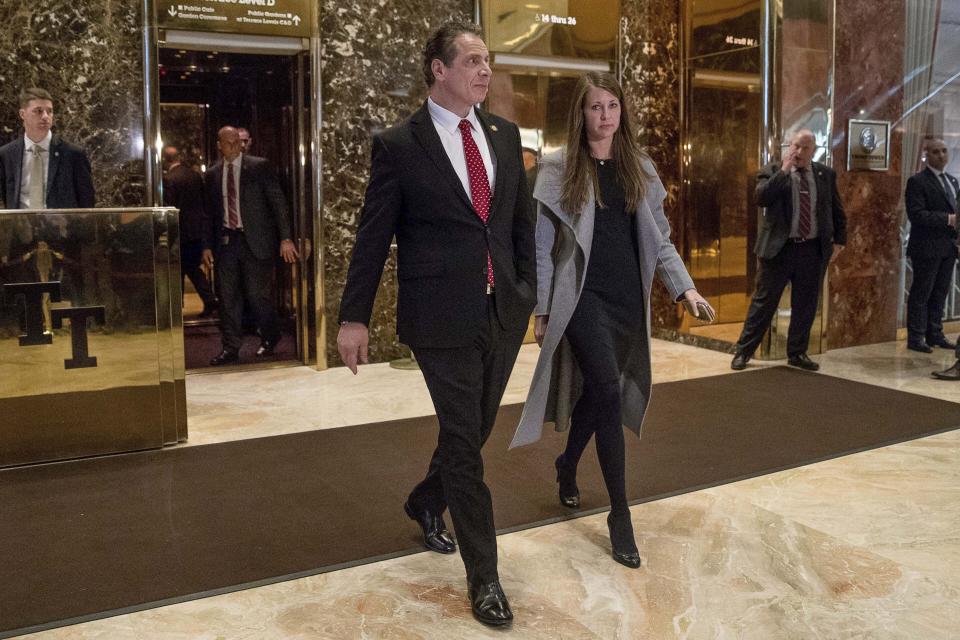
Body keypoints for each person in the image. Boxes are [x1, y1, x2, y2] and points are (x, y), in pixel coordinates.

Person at [337, 21, 536, 627]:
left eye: (488, 61)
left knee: (471, 431)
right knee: (462, 439)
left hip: (501, 310)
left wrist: (528, 293)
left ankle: (425, 502)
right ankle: (486, 578)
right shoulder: (400, 144)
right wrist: (354, 317)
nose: (485, 71)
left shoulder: (504, 134)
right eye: (473, 60)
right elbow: (373, 238)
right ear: (439, 70)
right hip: (439, 317)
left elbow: (519, 224)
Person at [511, 71, 712, 569]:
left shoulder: (637, 167)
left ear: (623, 113)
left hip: (626, 299)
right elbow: (541, 246)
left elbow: (659, 238)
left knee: (600, 394)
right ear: (580, 115)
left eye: (612, 106)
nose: (605, 116)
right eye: (595, 107)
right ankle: (620, 514)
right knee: (605, 386)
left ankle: (566, 463)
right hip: (580, 299)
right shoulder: (558, 169)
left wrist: (684, 287)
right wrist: (540, 308)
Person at [730, 129, 847, 371]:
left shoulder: (825, 174)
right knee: (764, 303)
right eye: (796, 146)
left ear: (814, 149)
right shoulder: (772, 171)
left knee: (805, 304)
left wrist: (839, 241)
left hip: (812, 250)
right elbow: (761, 197)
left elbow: (836, 210)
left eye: (805, 147)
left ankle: (797, 352)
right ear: (788, 147)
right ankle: (743, 351)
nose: (800, 152)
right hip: (779, 250)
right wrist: (784, 170)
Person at [202, 126, 298, 365]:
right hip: (226, 242)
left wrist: (286, 238)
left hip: (256, 240)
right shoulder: (213, 174)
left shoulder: (259, 167)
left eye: (238, 142)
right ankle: (231, 347)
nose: (235, 147)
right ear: (219, 145)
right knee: (227, 297)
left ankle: (270, 334)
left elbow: (278, 203)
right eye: (229, 143)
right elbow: (208, 214)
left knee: (257, 296)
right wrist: (206, 247)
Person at [0, 87, 95, 210]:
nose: (45, 116)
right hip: (21, 227)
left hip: (62, 228)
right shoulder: (7, 154)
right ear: (22, 114)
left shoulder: (73, 154)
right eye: (38, 111)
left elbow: (87, 203)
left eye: (49, 111)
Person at [905, 138, 958, 353]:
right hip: (926, 247)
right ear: (927, 155)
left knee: (940, 292)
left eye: (944, 151)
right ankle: (916, 337)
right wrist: (948, 219)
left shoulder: (953, 182)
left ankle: (935, 333)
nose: (942, 155)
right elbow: (917, 215)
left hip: (948, 246)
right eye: (936, 152)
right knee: (922, 293)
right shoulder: (918, 182)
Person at [162, 145, 217, 317]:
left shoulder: (169, 179)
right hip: (197, 230)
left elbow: (171, 207)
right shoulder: (194, 176)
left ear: (165, 160)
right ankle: (208, 300)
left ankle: (178, 308)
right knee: (191, 267)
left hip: (181, 231)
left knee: (182, 269)